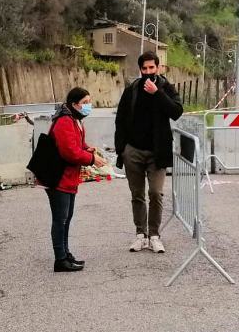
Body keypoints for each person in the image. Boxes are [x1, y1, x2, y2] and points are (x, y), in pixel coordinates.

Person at [114, 51, 183, 253]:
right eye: (144, 68)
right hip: (133, 150)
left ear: (158, 68)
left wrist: (157, 93)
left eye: (151, 68)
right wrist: (122, 149)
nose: (148, 72)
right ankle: (140, 234)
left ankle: (154, 235)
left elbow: (176, 112)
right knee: (137, 194)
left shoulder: (166, 88)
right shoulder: (132, 89)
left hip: (157, 152)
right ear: (140, 69)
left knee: (156, 193)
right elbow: (120, 120)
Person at [46, 87, 108, 272]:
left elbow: (77, 145)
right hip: (58, 178)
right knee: (60, 219)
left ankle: (65, 254)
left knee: (66, 218)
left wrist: (88, 149)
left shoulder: (75, 119)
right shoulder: (65, 121)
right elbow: (70, 152)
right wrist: (91, 159)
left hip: (68, 178)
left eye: (90, 101)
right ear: (74, 104)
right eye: (85, 103)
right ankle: (60, 259)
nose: (89, 106)